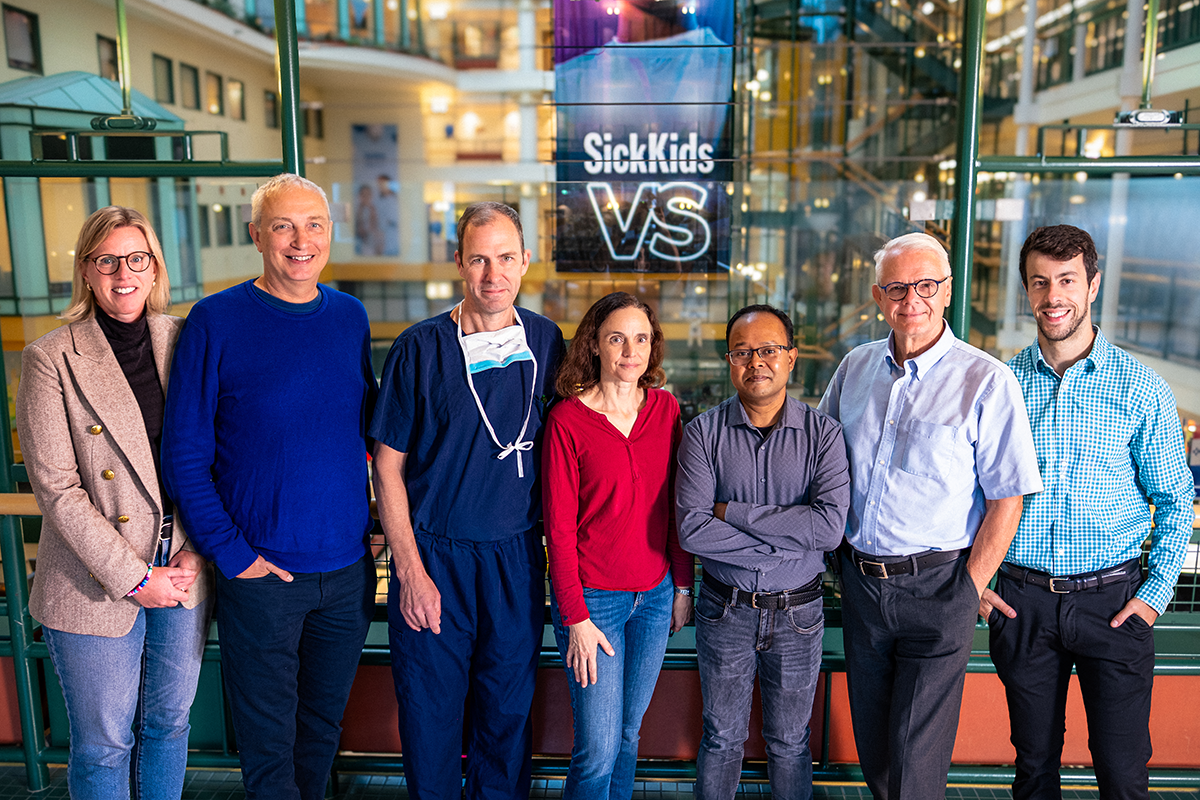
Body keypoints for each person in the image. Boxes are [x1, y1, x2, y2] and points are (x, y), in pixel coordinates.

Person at [161, 174, 378, 800]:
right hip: (259, 577)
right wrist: (234, 557)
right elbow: (185, 455)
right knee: (268, 745)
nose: (300, 240)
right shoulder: (214, 321)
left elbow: (364, 435)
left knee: (320, 734)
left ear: (330, 234)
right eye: (282, 225)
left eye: (314, 224)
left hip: (345, 575)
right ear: (257, 234)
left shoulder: (349, 318)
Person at [817, 232, 1043, 800]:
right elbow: (818, 461)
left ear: (947, 292)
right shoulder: (854, 368)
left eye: (925, 285)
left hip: (940, 589)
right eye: (897, 287)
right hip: (862, 587)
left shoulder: (987, 380)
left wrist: (968, 588)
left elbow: (1007, 498)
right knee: (877, 751)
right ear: (877, 295)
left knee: (917, 764)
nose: (910, 299)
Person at [989, 225, 1195, 799]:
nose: (1053, 296)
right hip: (1022, 604)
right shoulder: (1001, 385)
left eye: (1067, 281)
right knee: (1032, 770)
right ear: (1027, 292)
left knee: (1123, 773)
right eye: (1040, 282)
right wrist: (979, 585)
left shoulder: (1141, 388)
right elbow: (968, 495)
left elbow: (1177, 503)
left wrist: (1151, 600)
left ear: (1093, 284)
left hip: (1114, 603)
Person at [16, 206, 212, 800]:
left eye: (136, 259)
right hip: (92, 579)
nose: (122, 273)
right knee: (103, 746)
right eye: (106, 260)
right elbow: (55, 486)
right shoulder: (51, 356)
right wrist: (134, 578)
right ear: (86, 271)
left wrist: (197, 552)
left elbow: (219, 456)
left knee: (169, 726)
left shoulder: (186, 340)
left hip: (182, 569)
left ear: (155, 269)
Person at [370, 201, 564, 800]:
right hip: (436, 560)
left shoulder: (549, 342)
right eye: (478, 259)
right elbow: (387, 466)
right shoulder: (419, 349)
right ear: (458, 262)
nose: (492, 274)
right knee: (430, 717)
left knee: (505, 717)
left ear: (525, 261)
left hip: (515, 560)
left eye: (506, 258)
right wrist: (409, 570)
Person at [676, 304, 850, 800]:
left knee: (791, 742)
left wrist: (732, 513)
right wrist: (785, 539)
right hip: (723, 609)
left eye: (769, 350)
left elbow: (829, 529)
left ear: (792, 358)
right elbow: (691, 529)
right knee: (722, 738)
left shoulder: (825, 436)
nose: (757, 362)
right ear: (728, 361)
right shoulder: (702, 434)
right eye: (743, 352)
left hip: (799, 613)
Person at [542, 291, 694, 800]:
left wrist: (681, 586)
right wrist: (575, 619)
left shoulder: (666, 410)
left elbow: (676, 507)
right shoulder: (567, 420)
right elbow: (558, 529)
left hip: (653, 598)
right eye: (617, 338)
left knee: (629, 736)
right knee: (598, 750)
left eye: (641, 339)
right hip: (595, 604)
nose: (631, 350)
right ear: (595, 346)